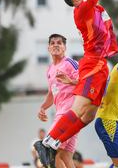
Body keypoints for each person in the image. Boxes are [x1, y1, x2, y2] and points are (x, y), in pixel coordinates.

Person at [35, 0, 118, 166]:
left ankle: (53, 141)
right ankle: (48, 141)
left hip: (100, 64)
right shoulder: (82, 10)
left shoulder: (95, 10)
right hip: (92, 63)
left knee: (90, 114)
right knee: (80, 107)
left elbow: (108, 30)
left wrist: (117, 52)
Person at [34, 34, 79, 168]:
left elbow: (86, 82)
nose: (56, 45)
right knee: (65, 155)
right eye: (52, 43)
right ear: (48, 48)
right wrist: (42, 107)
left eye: (59, 43)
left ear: (65, 47)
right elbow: (52, 93)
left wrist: (70, 81)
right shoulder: (50, 69)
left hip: (70, 112)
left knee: (51, 150)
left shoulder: (70, 63)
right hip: (63, 113)